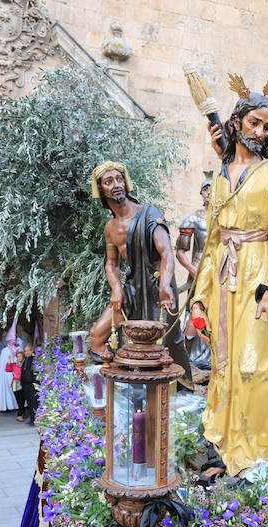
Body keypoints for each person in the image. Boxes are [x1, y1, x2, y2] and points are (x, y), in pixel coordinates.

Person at [193, 66, 268, 476]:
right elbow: (212, 241)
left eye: (267, 126)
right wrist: (201, 294)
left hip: (258, 275)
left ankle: (255, 458)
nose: (260, 131)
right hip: (224, 276)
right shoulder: (220, 181)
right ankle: (224, 449)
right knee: (223, 364)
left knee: (255, 365)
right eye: (254, 122)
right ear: (236, 123)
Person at [87, 161, 192, 386]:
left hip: (158, 287)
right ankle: (122, 383)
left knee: (162, 347)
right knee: (97, 336)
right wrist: (116, 287)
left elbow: (167, 253)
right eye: (109, 181)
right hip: (132, 289)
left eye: (119, 178)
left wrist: (165, 285)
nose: (116, 184)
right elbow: (111, 264)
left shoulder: (149, 214)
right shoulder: (110, 227)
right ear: (101, 190)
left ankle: (170, 395)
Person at [177, 178, 212, 369]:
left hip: (222, 273)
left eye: (213, 189)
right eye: (205, 189)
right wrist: (194, 271)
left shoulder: (227, 217)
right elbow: (180, 252)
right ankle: (185, 358)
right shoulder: (193, 219)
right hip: (199, 273)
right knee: (194, 313)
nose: (209, 192)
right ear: (201, 193)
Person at [0, 319, 23, 413]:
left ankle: (17, 406)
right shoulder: (4, 351)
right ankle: (12, 405)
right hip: (8, 374)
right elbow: (3, 366)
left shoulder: (18, 349)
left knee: (16, 390)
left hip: (15, 374)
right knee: (10, 390)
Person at [20, 344, 36, 425]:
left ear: (31, 351)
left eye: (28, 350)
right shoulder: (25, 360)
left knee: (34, 402)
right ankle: (32, 418)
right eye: (25, 351)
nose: (26, 352)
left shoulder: (34, 360)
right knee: (29, 402)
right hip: (26, 385)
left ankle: (35, 420)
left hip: (32, 385)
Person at [6, 350, 24, 422]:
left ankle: (20, 414)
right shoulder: (14, 364)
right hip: (15, 384)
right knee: (18, 400)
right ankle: (21, 413)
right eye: (18, 356)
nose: (19, 358)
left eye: (21, 356)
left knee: (22, 400)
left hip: (22, 383)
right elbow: (7, 369)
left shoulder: (24, 364)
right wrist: (9, 363)